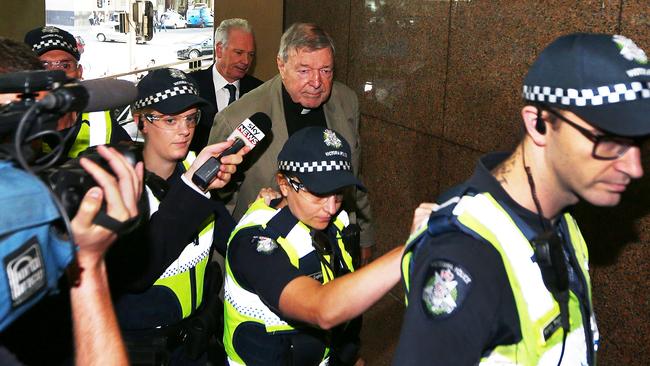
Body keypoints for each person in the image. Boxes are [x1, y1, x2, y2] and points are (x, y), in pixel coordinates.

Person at [392, 33, 650, 365]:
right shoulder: (467, 257)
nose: (634, 167)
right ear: (539, 123)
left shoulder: (561, 222)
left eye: (638, 143)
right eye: (608, 141)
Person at [224, 126, 425, 365]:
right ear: (284, 184)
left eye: (339, 194)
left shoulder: (333, 224)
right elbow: (321, 308)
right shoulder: (255, 243)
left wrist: (350, 356)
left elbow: (342, 292)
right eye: (319, 194)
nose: (331, 208)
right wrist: (409, 250)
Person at [106, 68, 246, 364]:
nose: (184, 130)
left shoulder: (196, 171)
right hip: (139, 349)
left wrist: (273, 218)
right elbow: (138, 273)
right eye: (170, 120)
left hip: (194, 342)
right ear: (140, 120)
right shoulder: (119, 186)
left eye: (190, 118)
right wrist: (195, 188)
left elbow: (234, 242)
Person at [209, 22, 375, 266]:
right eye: (304, 70)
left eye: (326, 71)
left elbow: (352, 176)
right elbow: (218, 203)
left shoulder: (346, 102)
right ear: (281, 65)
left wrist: (364, 236)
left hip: (332, 248)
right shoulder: (237, 118)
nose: (317, 82)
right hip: (268, 259)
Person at [24, 26, 131, 157]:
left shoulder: (99, 119)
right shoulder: (14, 125)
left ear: (79, 72)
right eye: (44, 66)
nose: (56, 75)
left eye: (65, 66)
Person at [189, 18, 262, 152]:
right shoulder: (191, 87)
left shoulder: (260, 92)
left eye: (250, 55)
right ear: (219, 49)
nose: (246, 61)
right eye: (239, 53)